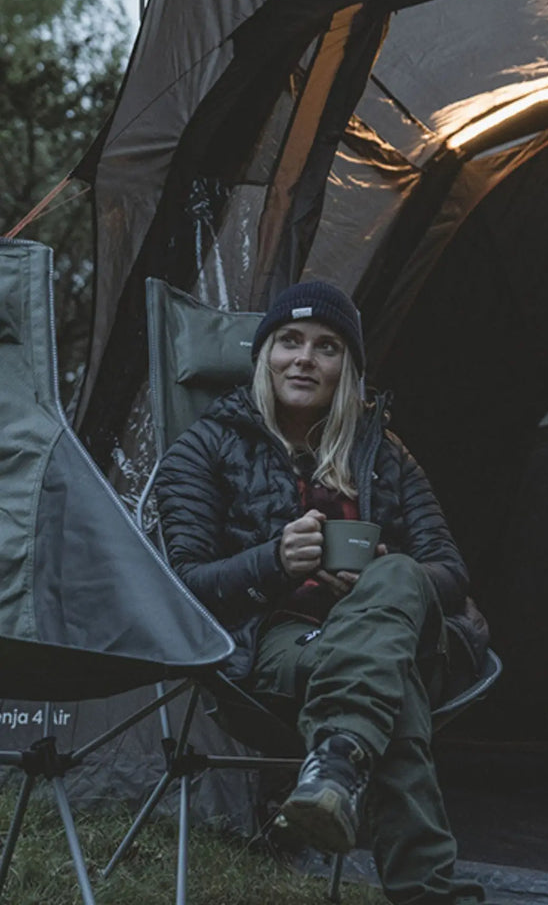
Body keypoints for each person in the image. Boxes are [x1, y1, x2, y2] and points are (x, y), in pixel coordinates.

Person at [156, 280, 488, 905]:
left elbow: (450, 570)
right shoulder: (203, 449)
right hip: (279, 639)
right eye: (289, 341)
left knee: (397, 576)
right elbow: (185, 586)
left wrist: (388, 573)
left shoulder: (384, 453)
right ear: (264, 357)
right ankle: (423, 883)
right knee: (390, 685)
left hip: (401, 632)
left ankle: (337, 760)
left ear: (349, 370)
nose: (305, 358)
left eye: (327, 346)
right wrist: (275, 561)